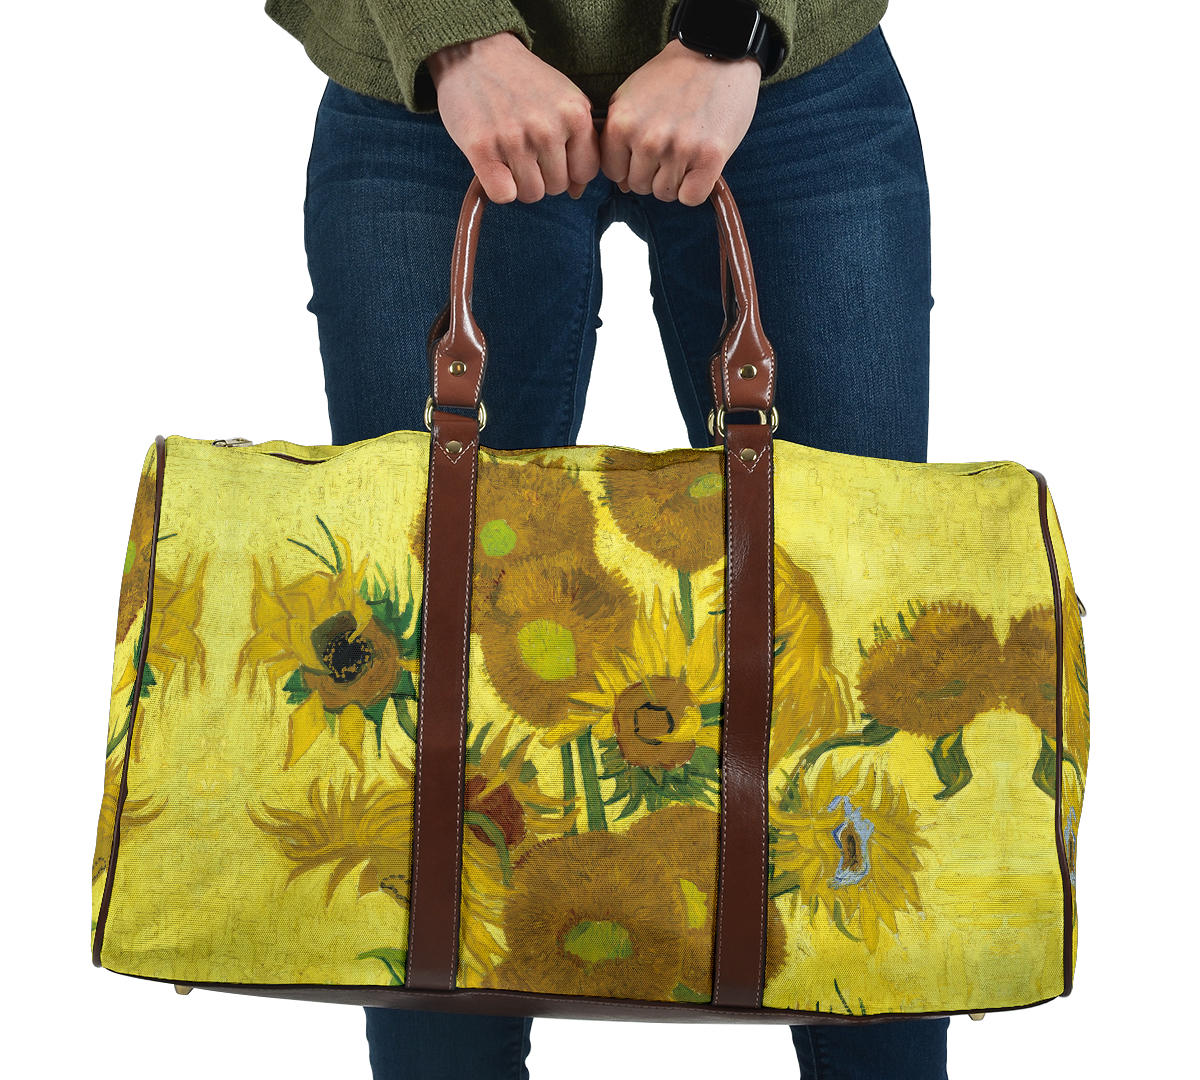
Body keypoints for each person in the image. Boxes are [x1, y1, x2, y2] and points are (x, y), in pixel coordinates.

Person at [268, 1, 943, 1076]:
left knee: (859, 682)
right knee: (429, 686)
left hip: (789, 74)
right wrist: (451, 33)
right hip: (429, 88)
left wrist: (735, 30)